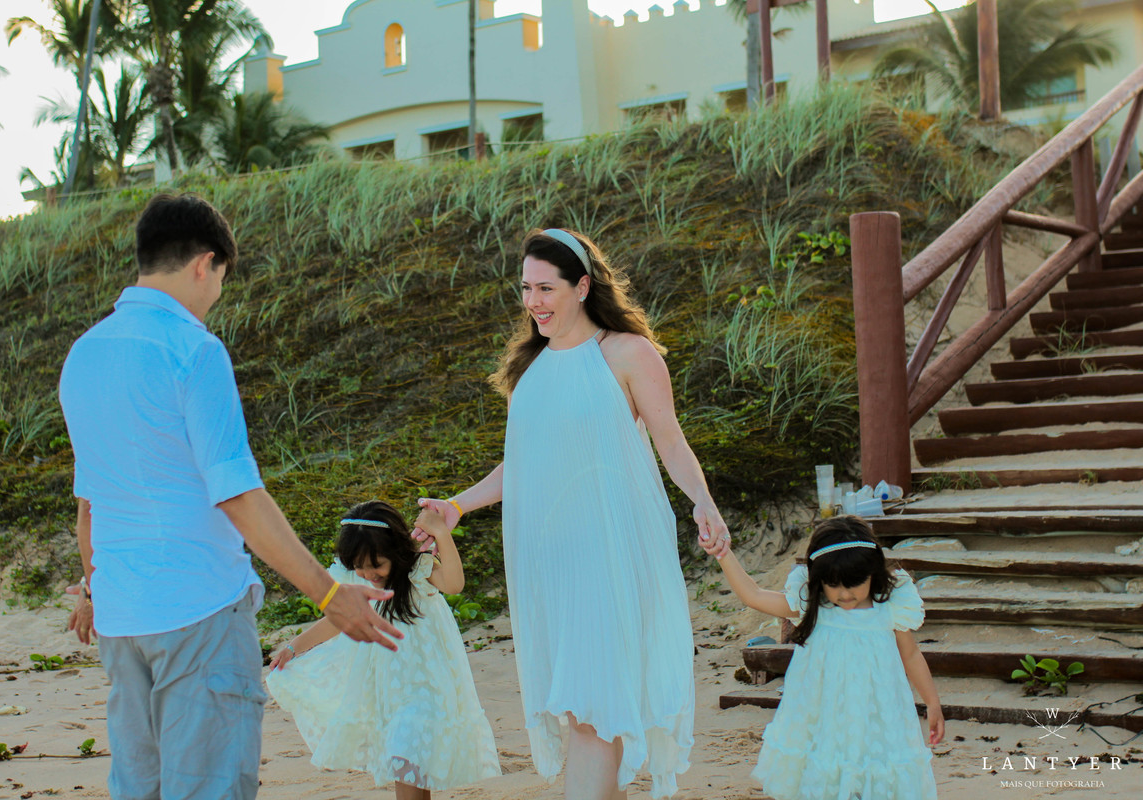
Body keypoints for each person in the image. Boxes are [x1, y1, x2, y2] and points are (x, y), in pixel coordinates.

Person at [58, 192, 402, 800]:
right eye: (220, 278)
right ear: (204, 263)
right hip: (196, 609)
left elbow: (90, 501)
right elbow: (237, 496)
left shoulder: (83, 356)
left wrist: (91, 587)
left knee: (141, 788)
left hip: (120, 617)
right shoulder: (192, 349)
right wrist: (328, 594)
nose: (216, 295)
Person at [416, 228, 732, 800]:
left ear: (582, 286)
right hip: (550, 560)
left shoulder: (627, 353)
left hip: (611, 550)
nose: (533, 301)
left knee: (592, 706)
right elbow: (523, 465)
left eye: (545, 287)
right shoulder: (530, 372)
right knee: (580, 710)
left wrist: (703, 501)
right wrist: (457, 505)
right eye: (525, 288)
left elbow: (671, 441)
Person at [267, 501, 501, 800]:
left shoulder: (418, 571)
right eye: (359, 567)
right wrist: (293, 646)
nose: (368, 574)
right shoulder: (359, 580)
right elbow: (338, 619)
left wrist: (441, 532)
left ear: (395, 552)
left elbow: (454, 584)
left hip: (426, 687)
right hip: (388, 690)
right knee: (405, 763)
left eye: (376, 564)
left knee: (409, 757)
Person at [704, 515, 944, 800]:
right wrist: (723, 552)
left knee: (874, 777)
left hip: (877, 716)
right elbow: (753, 595)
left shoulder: (889, 607)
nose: (844, 594)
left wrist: (932, 701)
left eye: (855, 583)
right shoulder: (814, 605)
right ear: (819, 579)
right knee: (825, 778)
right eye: (833, 584)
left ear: (872, 571)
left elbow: (911, 655)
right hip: (823, 717)